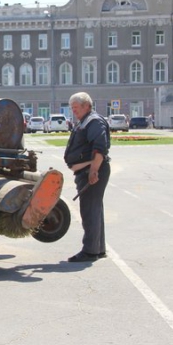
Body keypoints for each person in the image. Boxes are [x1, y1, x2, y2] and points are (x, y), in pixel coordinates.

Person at [63, 92, 111, 262]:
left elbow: (100, 148)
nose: (74, 111)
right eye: (72, 108)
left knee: (89, 210)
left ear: (87, 106)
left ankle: (90, 251)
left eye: (76, 108)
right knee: (94, 210)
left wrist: (93, 171)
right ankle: (98, 248)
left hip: (92, 171)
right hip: (87, 171)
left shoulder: (94, 121)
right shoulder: (85, 121)